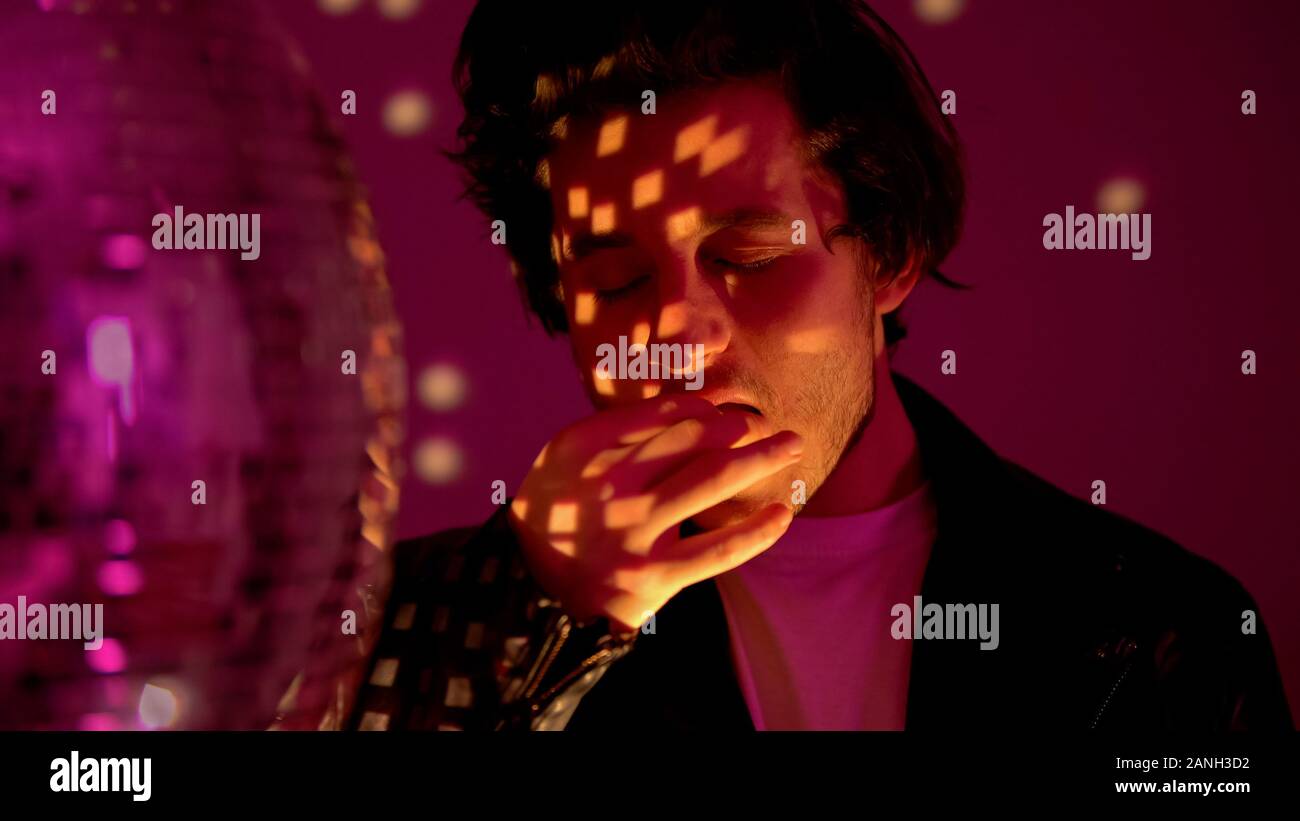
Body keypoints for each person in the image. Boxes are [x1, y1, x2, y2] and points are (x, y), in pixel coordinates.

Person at [348, 0, 1291, 731]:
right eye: (621, 280)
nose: (680, 331)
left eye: (749, 259)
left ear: (886, 255)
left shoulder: (1154, 625)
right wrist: (539, 614)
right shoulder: (403, 628)